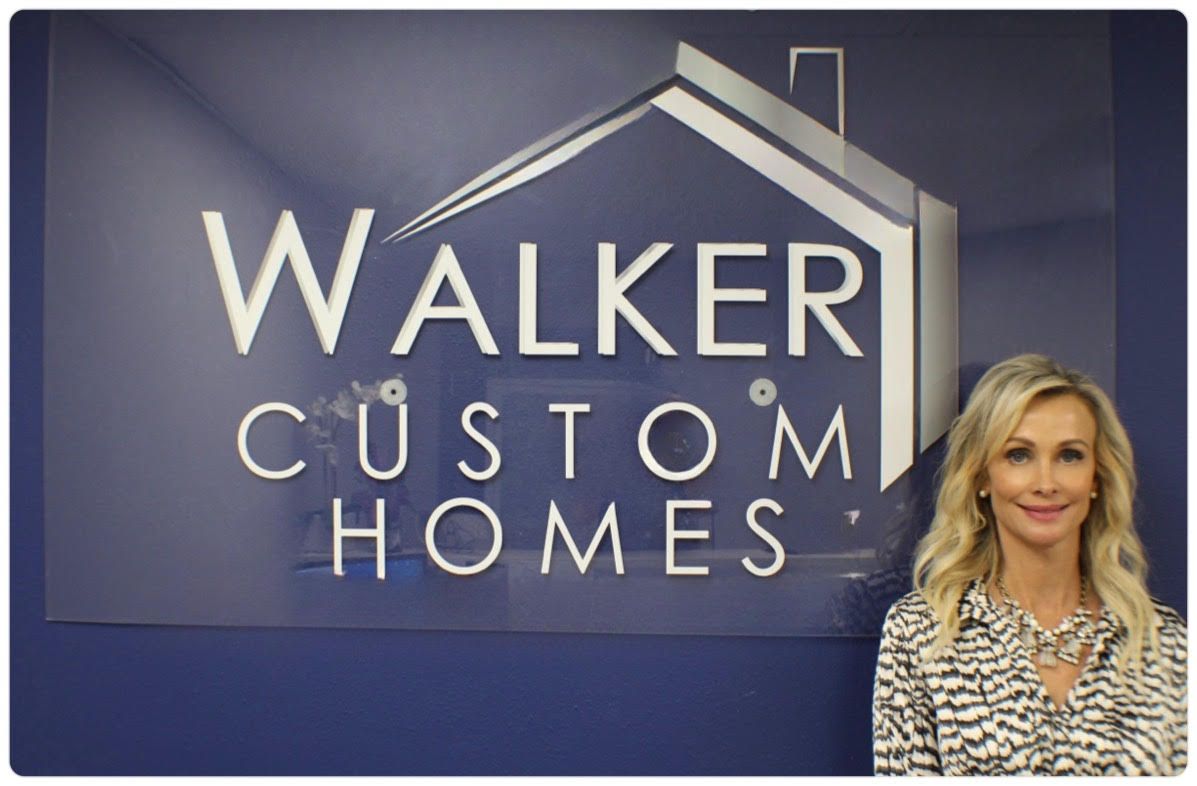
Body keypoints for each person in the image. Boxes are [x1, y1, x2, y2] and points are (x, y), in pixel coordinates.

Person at [872, 354, 1186, 775]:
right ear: (982, 475)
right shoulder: (921, 633)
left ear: (1097, 476)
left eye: (1070, 456)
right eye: (1019, 455)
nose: (1046, 483)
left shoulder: (1167, 644)